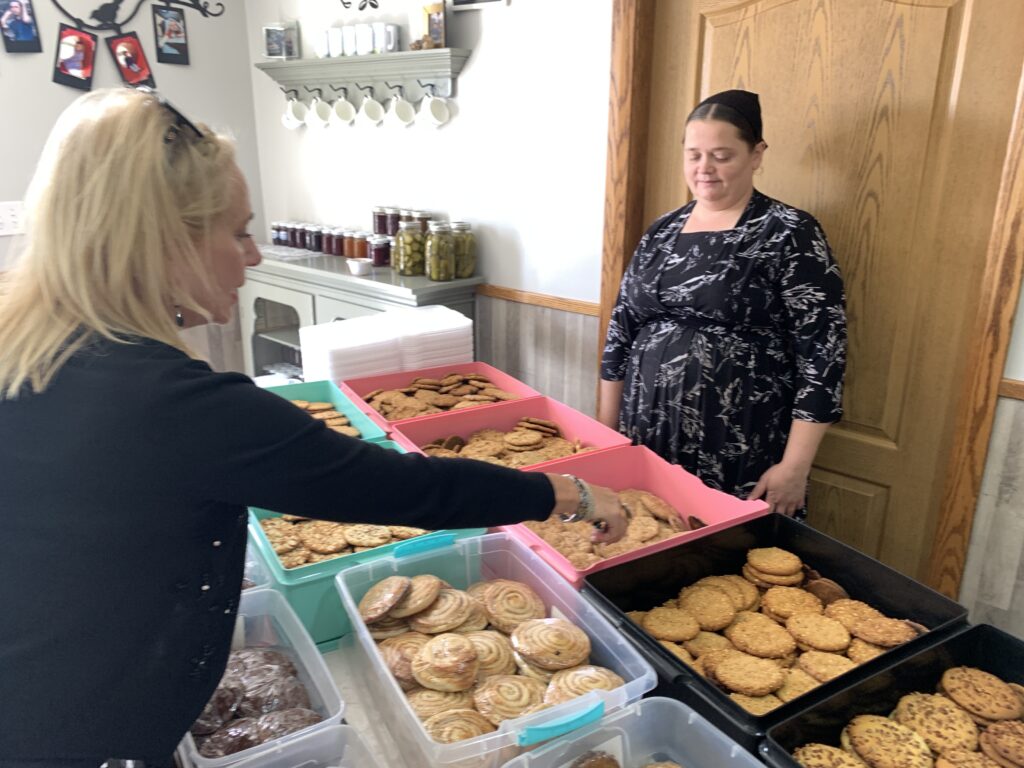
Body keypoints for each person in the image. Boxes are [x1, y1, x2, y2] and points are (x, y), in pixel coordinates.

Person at [0, 87, 628, 767]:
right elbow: (405, 489)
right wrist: (570, 493)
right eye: (238, 230)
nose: (255, 255)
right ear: (163, 242)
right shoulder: (175, 407)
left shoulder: (33, 348)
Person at [598, 89, 846, 518]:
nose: (704, 168)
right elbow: (622, 330)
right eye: (693, 154)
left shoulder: (789, 231)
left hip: (740, 440)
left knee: (723, 563)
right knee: (644, 547)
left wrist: (795, 466)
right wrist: (605, 433)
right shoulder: (661, 231)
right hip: (645, 432)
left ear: (757, 154)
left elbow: (823, 356)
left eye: (721, 155)